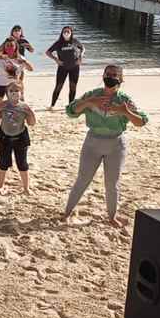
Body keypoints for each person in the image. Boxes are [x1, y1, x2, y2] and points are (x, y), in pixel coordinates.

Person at [63, 65, 148, 227]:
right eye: (108, 74)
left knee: (112, 182)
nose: (111, 77)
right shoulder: (92, 95)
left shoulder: (124, 100)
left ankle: (112, 216)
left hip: (116, 143)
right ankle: (67, 212)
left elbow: (141, 122)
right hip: (92, 142)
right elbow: (71, 112)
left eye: (115, 75)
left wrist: (125, 112)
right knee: (83, 178)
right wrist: (88, 102)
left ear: (121, 79)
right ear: (103, 76)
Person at [0, 82, 35, 194]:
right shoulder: (3, 105)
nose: (14, 93)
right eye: (11, 91)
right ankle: (0, 186)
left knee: (22, 163)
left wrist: (31, 113)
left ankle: (26, 188)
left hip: (20, 138)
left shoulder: (24, 106)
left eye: (17, 90)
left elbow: (31, 123)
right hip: (4, 138)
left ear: (21, 93)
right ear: (7, 93)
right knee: (3, 162)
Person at [0, 37, 33, 136]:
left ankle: (19, 128)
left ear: (15, 46)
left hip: (13, 87)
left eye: (12, 45)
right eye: (7, 45)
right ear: (4, 46)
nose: (9, 47)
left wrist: (24, 62)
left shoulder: (20, 58)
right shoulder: (0, 57)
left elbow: (31, 69)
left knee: (17, 108)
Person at [46, 26, 85, 108]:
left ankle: (71, 105)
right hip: (62, 67)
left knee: (73, 87)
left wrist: (80, 57)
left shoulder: (75, 41)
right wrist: (56, 59)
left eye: (68, 31)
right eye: (65, 31)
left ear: (71, 33)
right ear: (62, 33)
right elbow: (48, 52)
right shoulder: (58, 43)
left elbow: (83, 48)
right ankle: (52, 105)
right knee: (58, 86)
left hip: (74, 67)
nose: (66, 33)